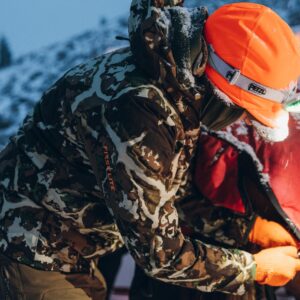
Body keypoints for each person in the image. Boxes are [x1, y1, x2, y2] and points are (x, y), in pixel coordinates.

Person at [1, 1, 300, 299]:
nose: (242, 120)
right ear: (222, 86)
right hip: (32, 240)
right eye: (244, 110)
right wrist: (251, 268)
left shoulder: (180, 87)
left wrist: (248, 229)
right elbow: (158, 253)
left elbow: (172, 198)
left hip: (75, 241)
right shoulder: (140, 114)